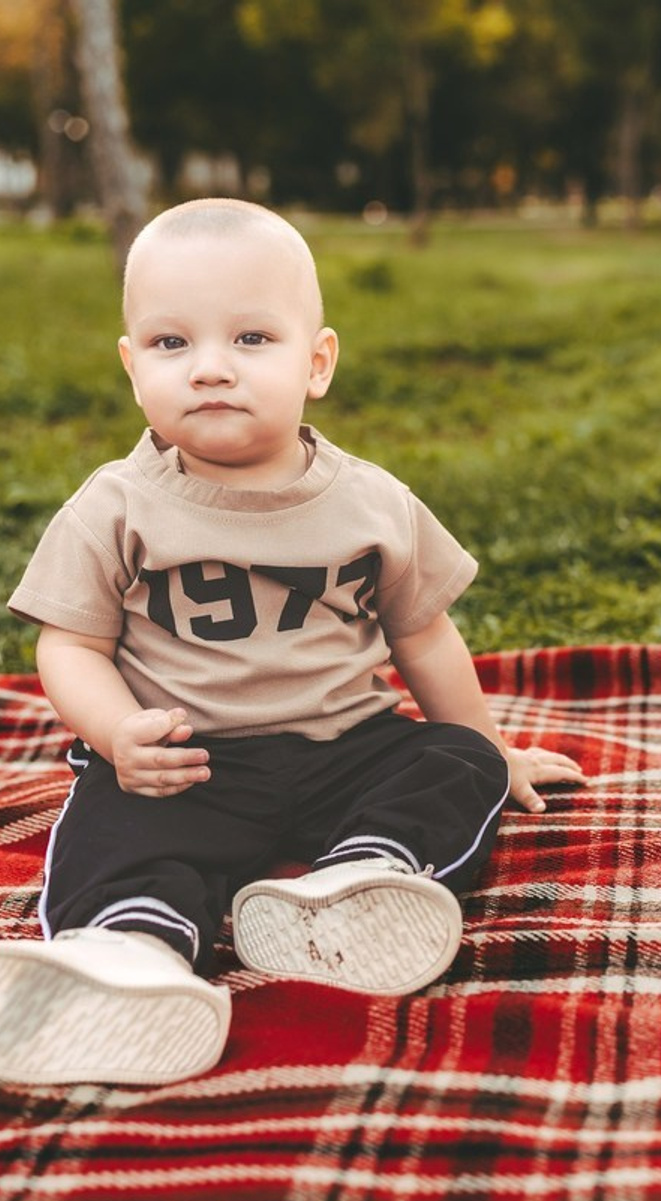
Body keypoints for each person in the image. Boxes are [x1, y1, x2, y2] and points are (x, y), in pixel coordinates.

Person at [0, 198, 586, 1087]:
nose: (209, 369)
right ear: (131, 367)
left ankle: (356, 883)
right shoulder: (114, 507)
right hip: (188, 762)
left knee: (457, 761)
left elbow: (423, 634)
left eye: (251, 339)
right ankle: (132, 951)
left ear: (317, 363)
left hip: (347, 750)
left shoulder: (370, 502)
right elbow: (70, 647)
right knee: (115, 818)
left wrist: (493, 749)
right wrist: (117, 733)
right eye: (171, 343)